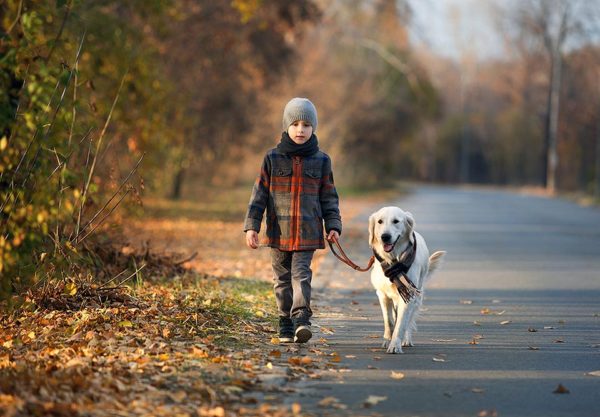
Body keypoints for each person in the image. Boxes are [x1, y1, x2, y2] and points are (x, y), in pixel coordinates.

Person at [244, 97, 342, 343]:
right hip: (278, 232)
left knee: (301, 275)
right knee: (281, 280)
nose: (301, 129)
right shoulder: (272, 158)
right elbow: (259, 195)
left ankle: (301, 320)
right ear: (287, 126)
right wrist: (252, 226)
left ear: (313, 128)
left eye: (306, 125)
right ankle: (285, 321)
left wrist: (333, 225)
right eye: (296, 124)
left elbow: (329, 197)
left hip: (307, 232)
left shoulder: (322, 160)